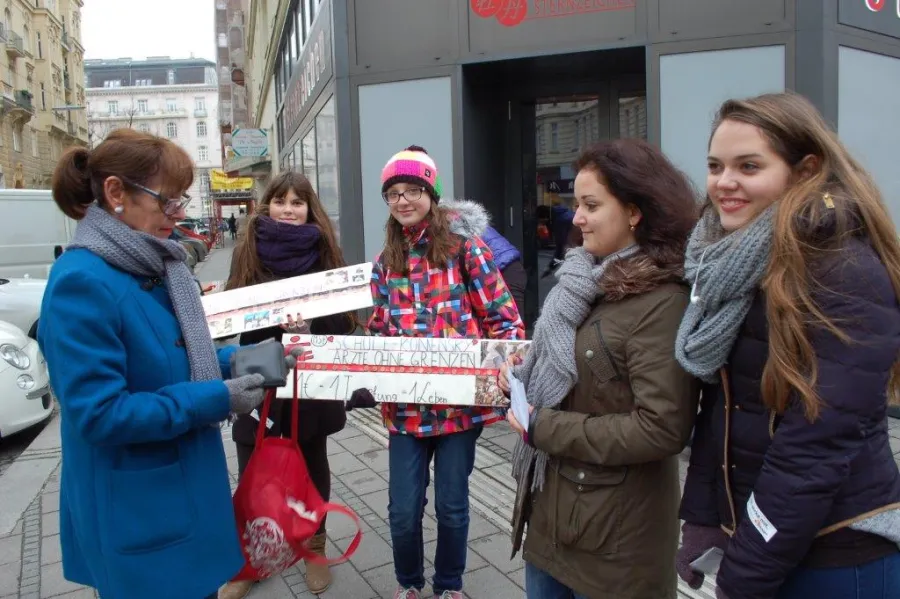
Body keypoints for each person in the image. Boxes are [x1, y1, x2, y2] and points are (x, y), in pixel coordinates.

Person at [675, 92, 900, 599]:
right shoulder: (731, 263)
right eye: (715, 166)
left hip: (839, 554)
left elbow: (817, 445)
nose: (723, 182)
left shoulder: (840, 267)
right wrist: (703, 520)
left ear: (805, 171)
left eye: (748, 166)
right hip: (768, 542)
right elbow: (725, 408)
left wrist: (747, 571)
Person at [37, 129, 271, 599]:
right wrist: (217, 397)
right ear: (115, 192)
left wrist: (248, 360)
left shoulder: (151, 263)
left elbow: (177, 357)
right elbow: (101, 414)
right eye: (167, 200)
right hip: (138, 510)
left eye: (181, 199)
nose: (180, 213)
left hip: (179, 493)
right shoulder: (81, 282)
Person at [498, 138, 701, 598]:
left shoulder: (663, 300)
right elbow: (577, 364)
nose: (577, 217)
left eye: (591, 204)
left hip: (615, 540)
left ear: (634, 211)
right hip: (552, 513)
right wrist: (526, 369)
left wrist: (543, 426)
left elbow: (662, 428)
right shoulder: (582, 279)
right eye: (576, 204)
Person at [361, 145, 524, 599]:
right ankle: (409, 584)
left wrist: (504, 372)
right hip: (405, 408)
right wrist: (364, 373)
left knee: (452, 506)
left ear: (432, 194)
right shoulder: (383, 262)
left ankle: (448, 585)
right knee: (402, 510)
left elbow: (504, 320)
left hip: (459, 408)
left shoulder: (463, 250)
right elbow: (378, 327)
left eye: (413, 190)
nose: (403, 200)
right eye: (393, 193)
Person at [217, 171, 356, 599]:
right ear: (267, 206)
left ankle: (314, 547)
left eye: (298, 203)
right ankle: (253, 557)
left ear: (309, 208)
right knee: (252, 465)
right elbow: (235, 316)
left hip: (311, 377)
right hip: (258, 378)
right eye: (281, 201)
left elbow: (345, 324)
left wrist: (310, 325)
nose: (289, 210)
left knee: (312, 462)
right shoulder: (248, 251)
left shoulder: (327, 254)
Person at [440, 198, 527, 323]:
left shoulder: (453, 224)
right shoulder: (458, 217)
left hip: (507, 269)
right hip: (509, 266)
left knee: (510, 319)